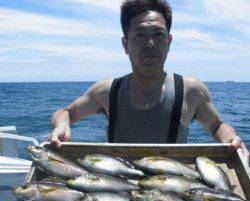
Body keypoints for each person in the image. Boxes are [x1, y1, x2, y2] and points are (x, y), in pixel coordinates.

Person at [49, 0, 249, 160]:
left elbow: (216, 125)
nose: (150, 44)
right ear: (125, 45)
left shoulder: (191, 90)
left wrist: (231, 139)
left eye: (158, 34)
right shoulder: (107, 90)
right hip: (119, 190)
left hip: (174, 191)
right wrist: (61, 126)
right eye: (140, 35)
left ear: (169, 42)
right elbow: (65, 113)